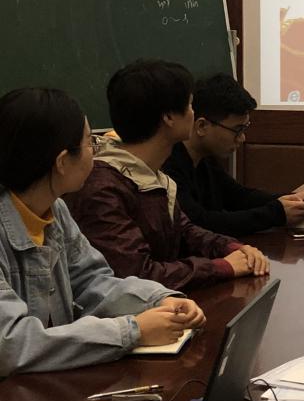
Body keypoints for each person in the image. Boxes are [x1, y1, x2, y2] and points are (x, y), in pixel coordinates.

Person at [0, 87, 206, 376]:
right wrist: (132, 331)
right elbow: (10, 344)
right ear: (62, 162)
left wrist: (159, 300)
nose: (96, 152)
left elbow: (91, 281)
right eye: (90, 142)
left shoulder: (54, 209)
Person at [66, 60, 270, 291]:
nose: (194, 113)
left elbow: (185, 231)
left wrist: (232, 248)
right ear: (169, 118)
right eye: (190, 105)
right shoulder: (104, 188)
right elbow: (136, 275)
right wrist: (221, 267)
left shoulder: (154, 175)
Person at [162, 74, 304, 236]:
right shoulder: (168, 167)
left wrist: (292, 200)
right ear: (202, 126)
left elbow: (238, 196)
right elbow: (200, 223)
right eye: (237, 130)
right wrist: (276, 213)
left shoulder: (204, 158)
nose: (242, 138)